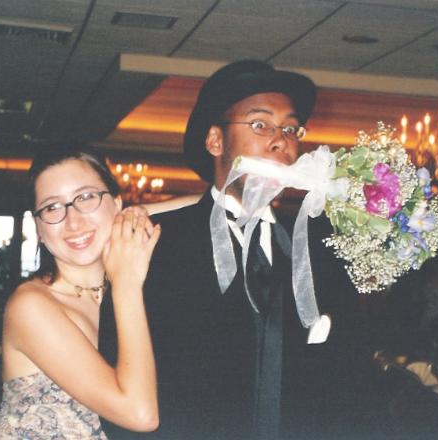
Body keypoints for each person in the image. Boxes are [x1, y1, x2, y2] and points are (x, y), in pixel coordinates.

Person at [99, 60, 379, 439]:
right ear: (216, 141)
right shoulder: (157, 245)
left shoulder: (320, 252)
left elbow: (349, 381)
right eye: (260, 124)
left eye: (290, 129)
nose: (281, 141)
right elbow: (122, 376)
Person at [0, 144, 160, 439]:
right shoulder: (31, 306)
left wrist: (134, 215)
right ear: (39, 228)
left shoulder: (109, 295)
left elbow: (205, 203)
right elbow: (140, 414)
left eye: (85, 197)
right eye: (52, 207)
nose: (73, 221)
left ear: (117, 204)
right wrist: (127, 285)